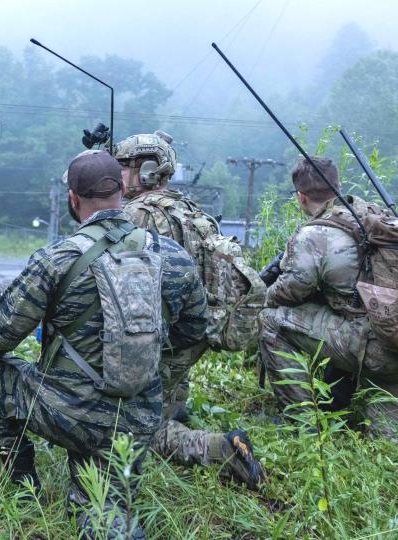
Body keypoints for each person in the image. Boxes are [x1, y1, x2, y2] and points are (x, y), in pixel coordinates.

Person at [0, 150, 211, 538]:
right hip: (137, 418)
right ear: (123, 193)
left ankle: (20, 484)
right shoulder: (173, 257)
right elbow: (196, 331)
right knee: (102, 511)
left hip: (69, 412)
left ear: (73, 199)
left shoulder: (57, 259)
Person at [259, 156, 398, 458]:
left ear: (301, 197)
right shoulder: (376, 215)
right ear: (338, 186)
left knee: (271, 319)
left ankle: (304, 428)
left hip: (383, 352)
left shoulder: (313, 236)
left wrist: (263, 294)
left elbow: (292, 290)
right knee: (390, 444)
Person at [115, 132, 266, 488]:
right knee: (167, 395)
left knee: (130, 430)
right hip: (192, 335)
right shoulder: (189, 210)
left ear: (147, 170)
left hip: (160, 338)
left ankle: (219, 450)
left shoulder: (136, 215)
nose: (116, 175)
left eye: (122, 167)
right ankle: (171, 407)